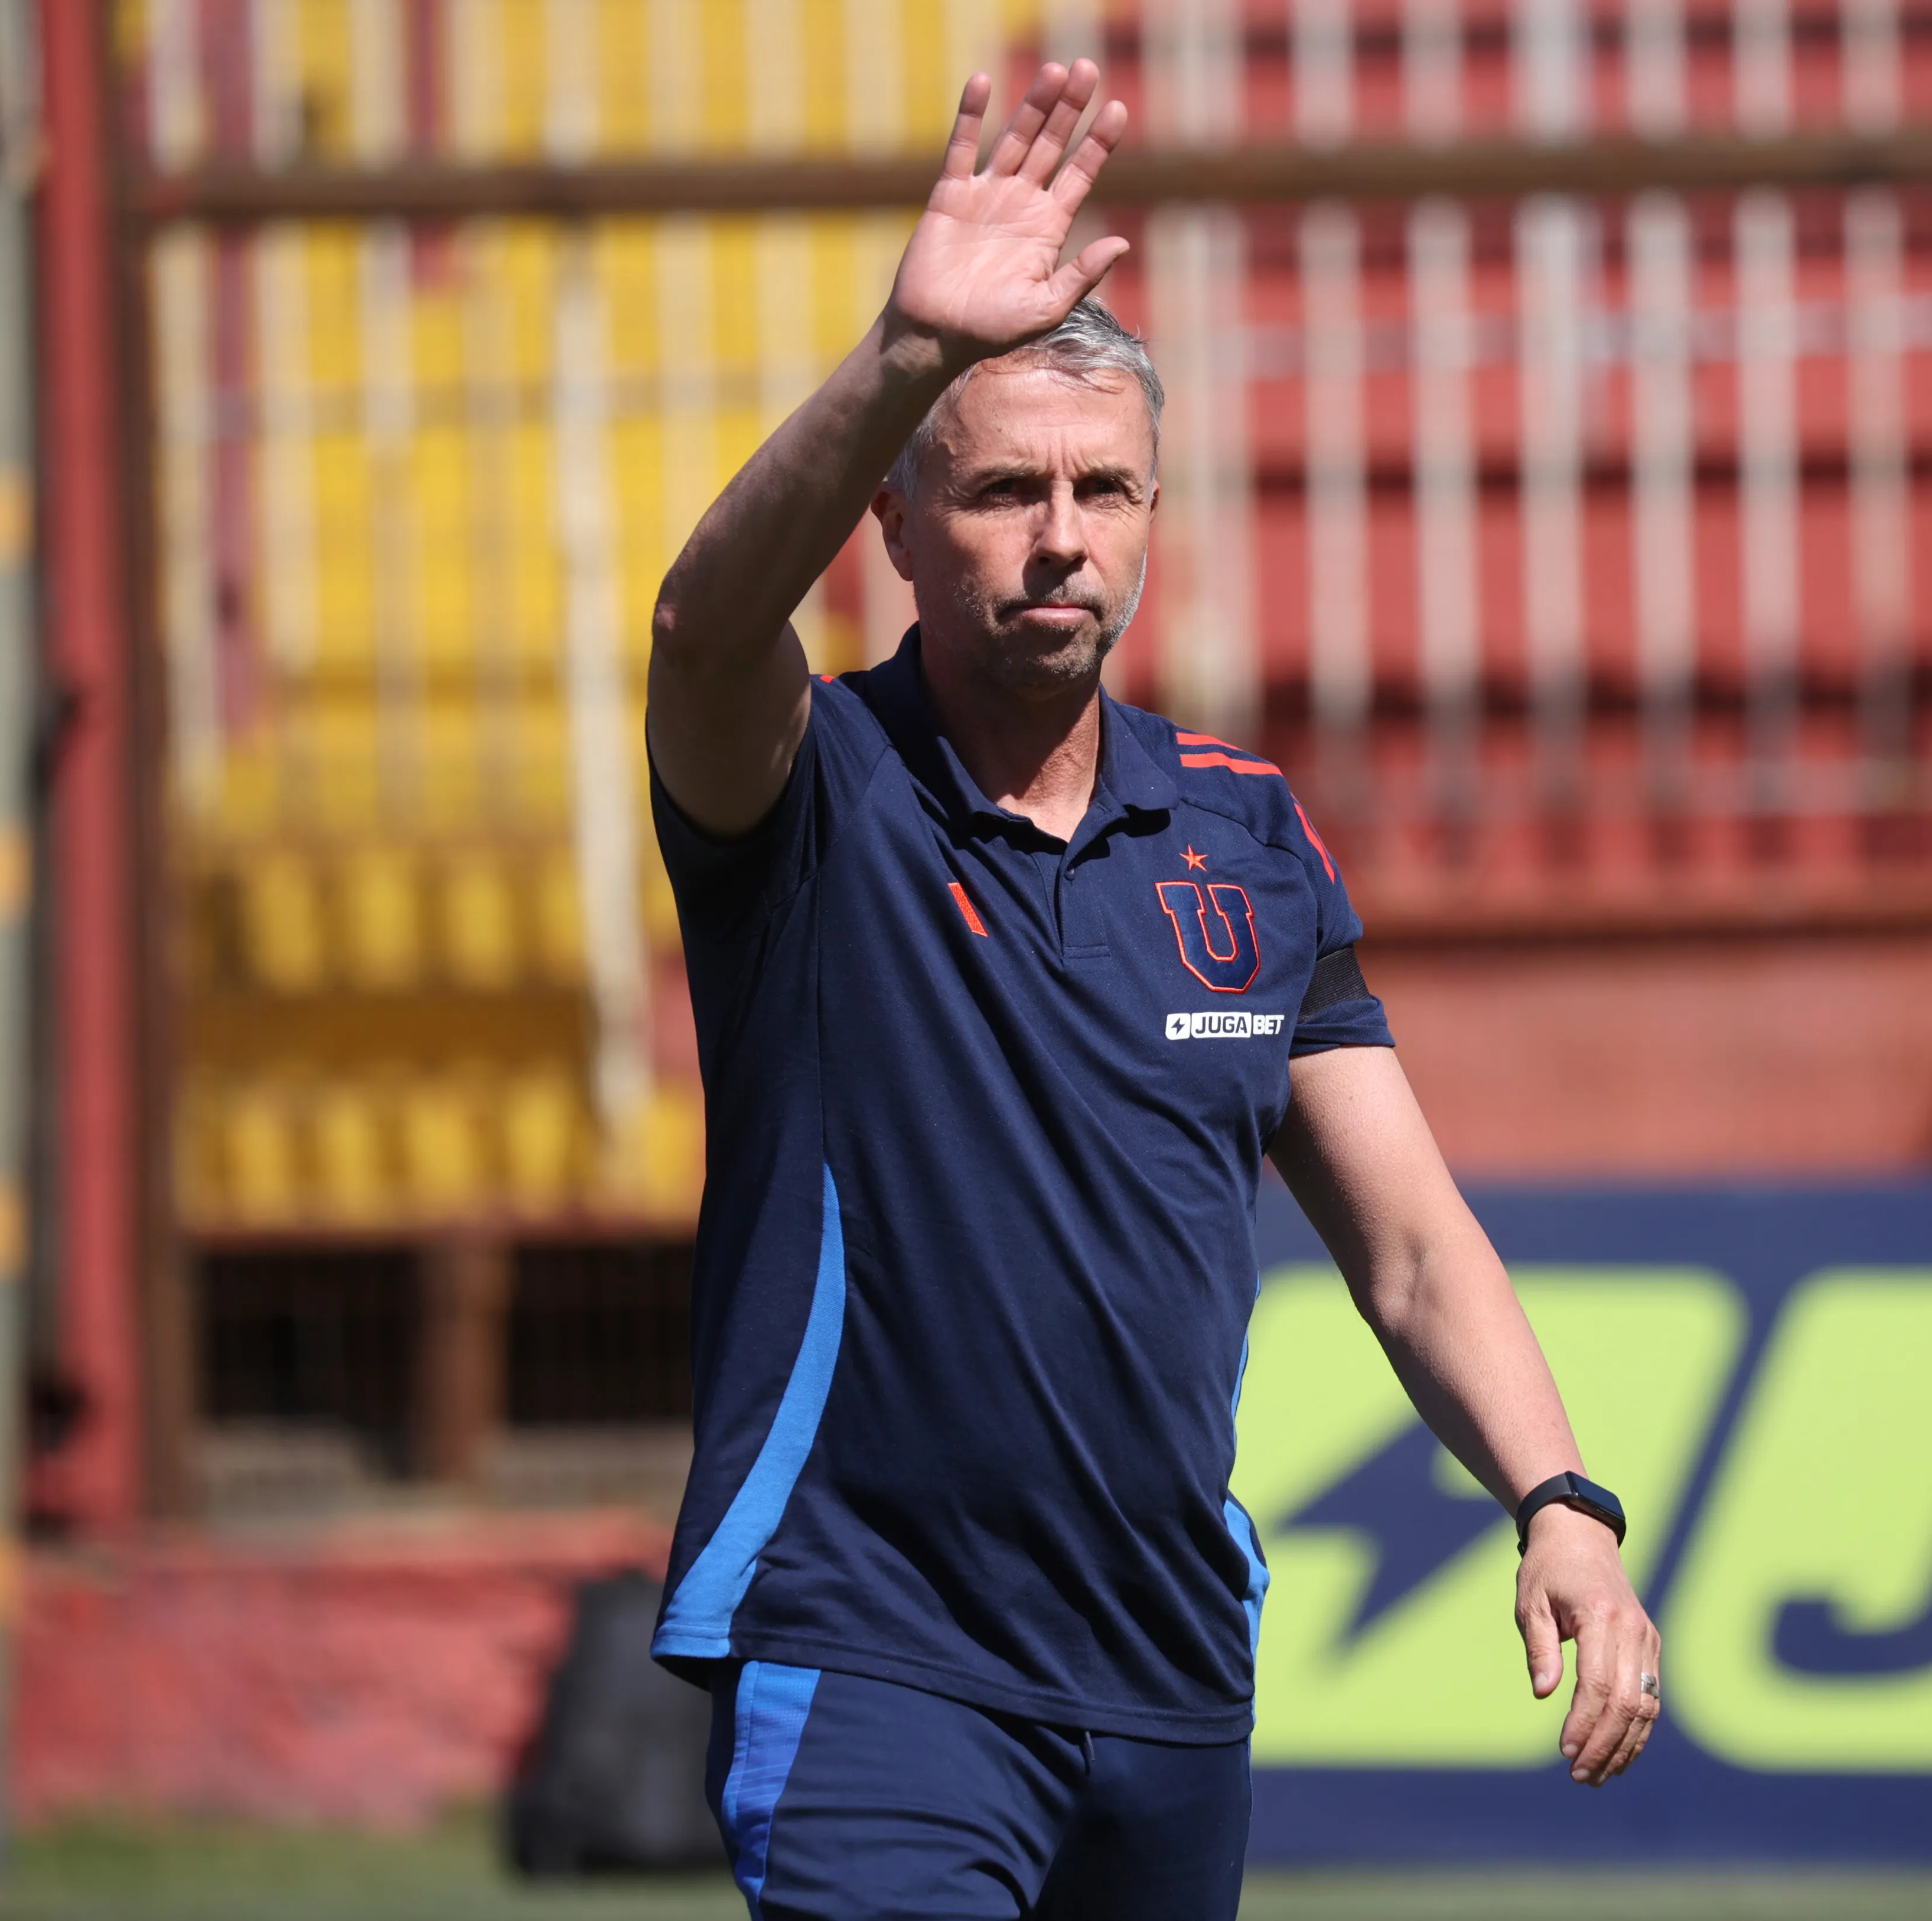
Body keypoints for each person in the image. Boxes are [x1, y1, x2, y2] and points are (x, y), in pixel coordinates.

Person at [644, 59, 1661, 1920]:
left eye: (1103, 487)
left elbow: (1408, 1242)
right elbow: (703, 633)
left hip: (1175, 1681)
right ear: (896, 520)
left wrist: (1558, 1501)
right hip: (877, 1660)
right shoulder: (812, 793)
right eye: (1001, 488)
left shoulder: (1247, 833)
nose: (1061, 533)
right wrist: (905, 353)